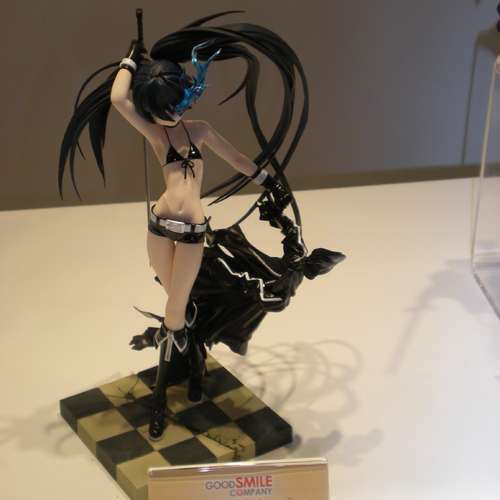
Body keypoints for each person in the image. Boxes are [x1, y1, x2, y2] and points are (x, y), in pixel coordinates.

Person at [59, 10, 344, 441]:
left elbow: (240, 160)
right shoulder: (156, 135)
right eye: (164, 109)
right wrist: (130, 59)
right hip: (159, 229)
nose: (173, 113)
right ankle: (186, 359)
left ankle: (160, 396)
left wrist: (270, 182)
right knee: (178, 307)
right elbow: (118, 99)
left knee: (175, 314)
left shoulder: (201, 131)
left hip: (192, 234)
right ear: (153, 108)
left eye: (178, 105)